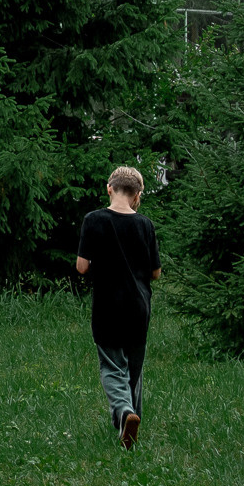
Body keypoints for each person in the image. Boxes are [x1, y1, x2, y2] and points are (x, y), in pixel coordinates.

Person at [75, 165, 160, 449]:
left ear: (109, 189)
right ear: (137, 195)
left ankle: (124, 413)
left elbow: (82, 266)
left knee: (113, 367)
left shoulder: (93, 219)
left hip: (107, 308)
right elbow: (156, 273)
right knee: (134, 370)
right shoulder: (145, 225)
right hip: (139, 307)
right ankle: (129, 430)